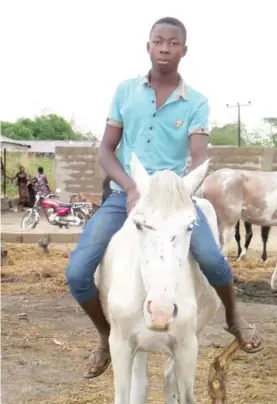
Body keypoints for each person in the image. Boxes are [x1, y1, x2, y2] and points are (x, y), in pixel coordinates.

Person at [65, 16, 263, 379]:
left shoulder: (197, 102)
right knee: (77, 273)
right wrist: (129, 187)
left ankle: (234, 317)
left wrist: (188, 188)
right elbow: (107, 151)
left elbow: (199, 156)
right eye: (159, 42)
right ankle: (105, 335)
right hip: (127, 193)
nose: (165, 49)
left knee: (212, 260)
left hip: (174, 199)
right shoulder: (125, 92)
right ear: (148, 46)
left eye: (173, 43)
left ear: (183, 51)